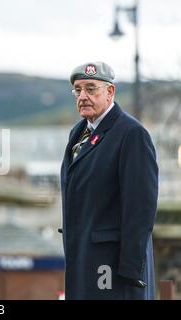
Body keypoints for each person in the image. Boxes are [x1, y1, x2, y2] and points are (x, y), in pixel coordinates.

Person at [60, 61, 158, 299]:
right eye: (78, 89)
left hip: (112, 269)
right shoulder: (79, 132)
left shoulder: (131, 134)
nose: (82, 96)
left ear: (110, 92)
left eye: (91, 88)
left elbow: (141, 207)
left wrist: (131, 272)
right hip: (83, 259)